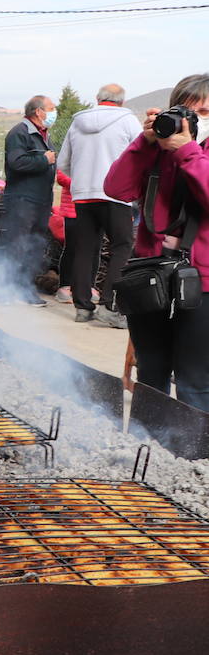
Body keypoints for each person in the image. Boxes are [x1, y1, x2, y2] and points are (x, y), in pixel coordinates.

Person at [104, 74, 209, 412]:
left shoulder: (189, 150)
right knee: (151, 370)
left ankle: (193, 459)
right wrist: (144, 142)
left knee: (195, 378)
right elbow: (116, 189)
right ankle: (148, 450)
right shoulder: (157, 147)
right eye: (187, 112)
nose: (194, 121)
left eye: (205, 112)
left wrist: (189, 153)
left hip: (203, 279)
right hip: (150, 271)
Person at [56, 83, 141, 327]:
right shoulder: (128, 121)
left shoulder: (77, 123)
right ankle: (110, 306)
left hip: (83, 195)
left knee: (84, 250)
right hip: (116, 195)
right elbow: (141, 156)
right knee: (122, 247)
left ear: (97, 98)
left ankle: (82, 307)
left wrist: (83, 179)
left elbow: (63, 163)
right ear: (122, 101)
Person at [4, 95, 58, 305]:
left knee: (34, 246)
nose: (54, 112)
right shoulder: (20, 133)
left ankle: (26, 289)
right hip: (22, 200)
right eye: (51, 108)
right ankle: (8, 290)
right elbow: (16, 162)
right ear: (39, 112)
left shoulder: (43, 134)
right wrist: (43, 159)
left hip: (41, 200)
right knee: (18, 245)